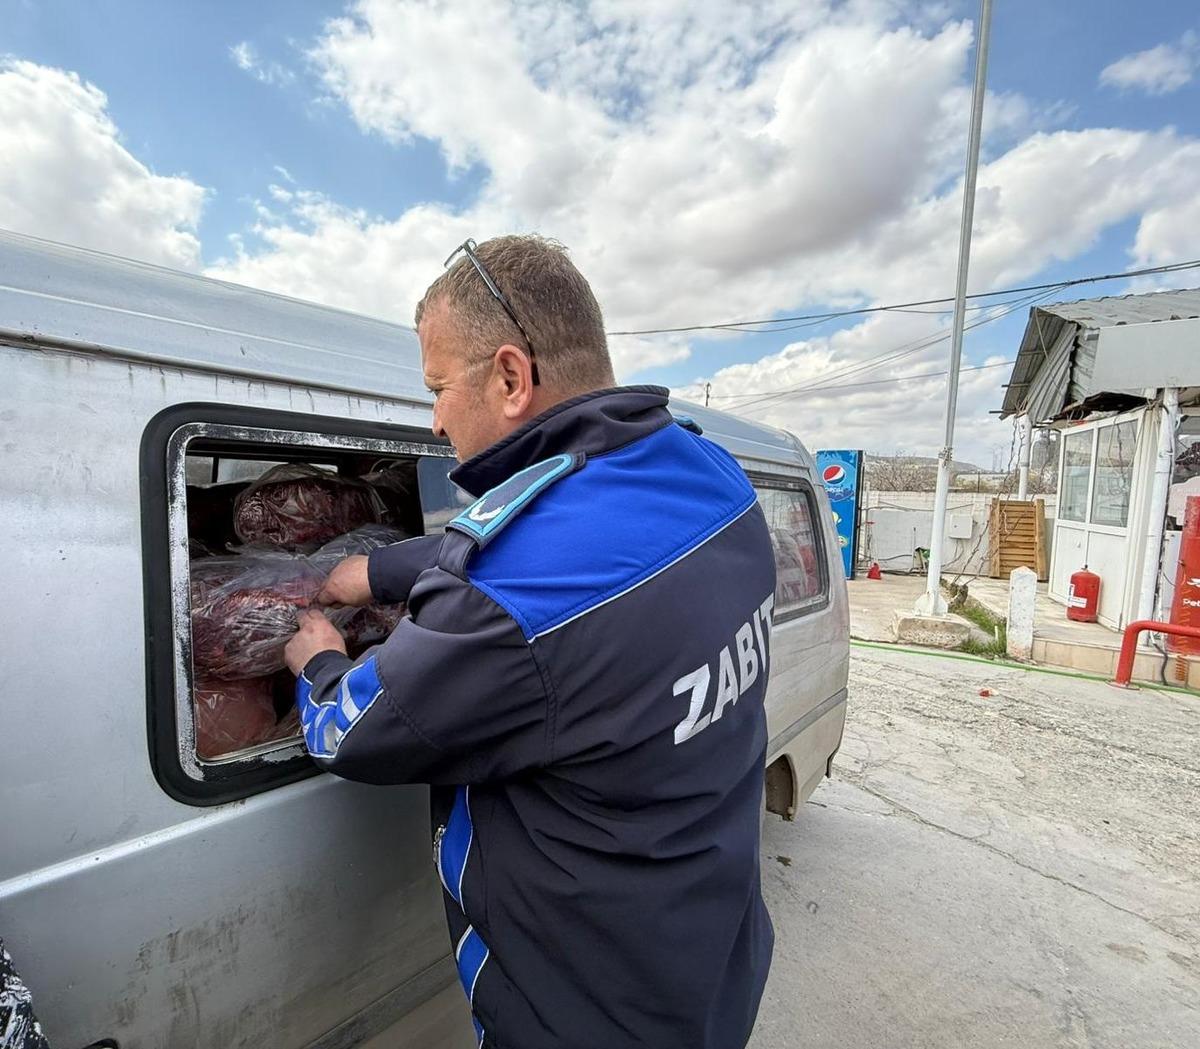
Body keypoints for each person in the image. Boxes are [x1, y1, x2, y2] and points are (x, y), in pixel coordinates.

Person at [285, 235, 777, 1049]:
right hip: (712, 962)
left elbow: (358, 729)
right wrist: (377, 572)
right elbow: (561, 528)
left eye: (440, 386)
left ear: (511, 377)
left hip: (585, 1011)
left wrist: (317, 660)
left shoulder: (508, 593)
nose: (435, 416)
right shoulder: (712, 476)